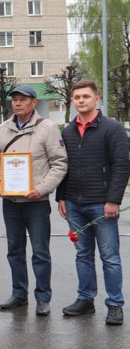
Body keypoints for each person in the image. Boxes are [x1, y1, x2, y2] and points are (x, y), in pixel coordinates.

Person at [0, 85, 67, 316]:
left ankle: (43, 297)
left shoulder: (48, 128)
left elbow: (60, 163)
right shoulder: (3, 128)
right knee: (14, 250)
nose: (18, 103)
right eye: (15, 100)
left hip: (36, 202)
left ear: (34, 102)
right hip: (10, 201)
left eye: (23, 99)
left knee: (40, 251)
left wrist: (41, 189)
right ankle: (19, 294)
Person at [56, 80, 129, 325]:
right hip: (75, 204)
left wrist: (113, 200)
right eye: (76, 97)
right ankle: (85, 299)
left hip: (102, 203)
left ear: (97, 99)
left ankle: (115, 304)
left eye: (86, 96)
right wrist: (61, 197)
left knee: (110, 257)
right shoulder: (67, 131)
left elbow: (121, 166)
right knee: (82, 254)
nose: (81, 101)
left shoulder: (112, 128)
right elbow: (64, 167)